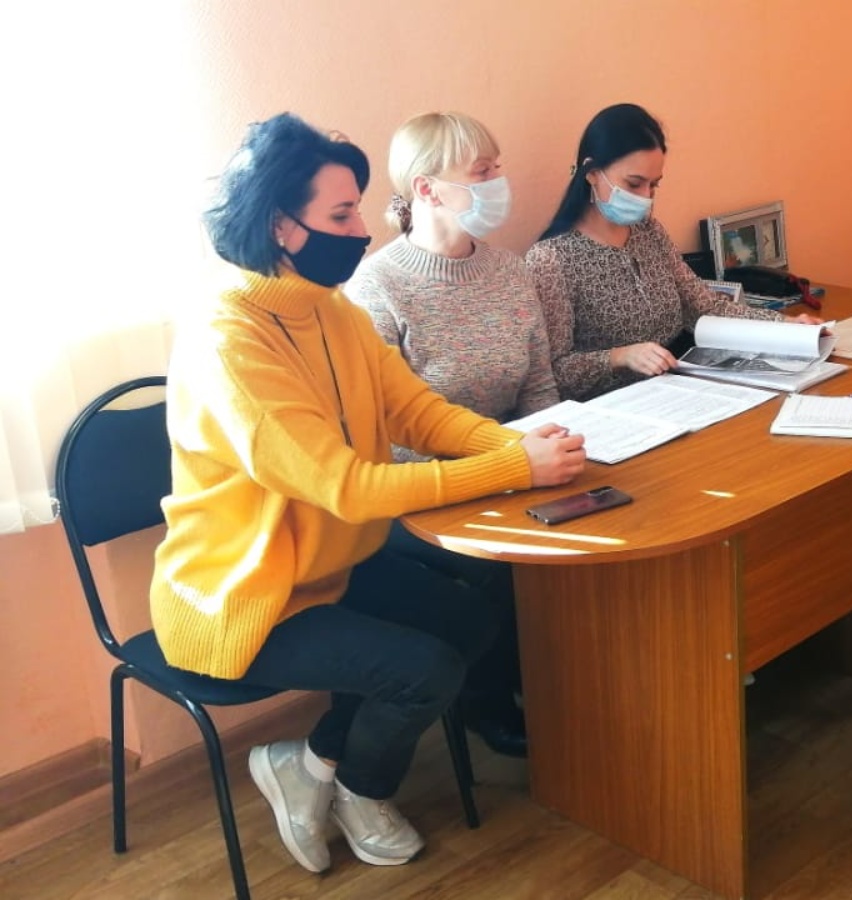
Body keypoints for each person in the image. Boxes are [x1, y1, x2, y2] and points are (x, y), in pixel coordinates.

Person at [152, 113, 586, 873]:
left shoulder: (331, 310)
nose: (362, 230)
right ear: (282, 227)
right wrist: (516, 469)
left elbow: (418, 411)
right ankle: (364, 787)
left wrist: (517, 445)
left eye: (356, 210)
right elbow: (345, 487)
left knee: (472, 620)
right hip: (245, 595)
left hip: (330, 565)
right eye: (341, 215)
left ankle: (315, 764)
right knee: (425, 671)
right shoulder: (230, 340)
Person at [346, 111, 556, 758]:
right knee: (496, 572)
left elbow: (540, 388)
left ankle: (570, 684)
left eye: (497, 168)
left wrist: (550, 445)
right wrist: (499, 470)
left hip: (513, 466)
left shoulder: (510, 272)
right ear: (427, 189)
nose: (498, 183)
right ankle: (489, 702)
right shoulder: (377, 288)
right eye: (482, 172)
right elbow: (384, 435)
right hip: (423, 493)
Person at [527, 103, 821, 401]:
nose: (645, 197)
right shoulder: (551, 259)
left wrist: (784, 326)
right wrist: (619, 356)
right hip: (612, 406)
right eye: (634, 183)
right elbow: (553, 374)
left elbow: (706, 307)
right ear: (592, 173)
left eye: (654, 185)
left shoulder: (649, 232)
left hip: (677, 389)